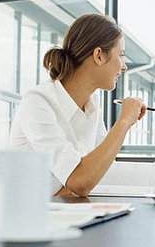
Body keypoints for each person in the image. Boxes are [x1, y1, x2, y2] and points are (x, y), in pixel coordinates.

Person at [9, 14, 146, 196]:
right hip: (29, 218)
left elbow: (97, 170)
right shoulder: (37, 102)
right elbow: (81, 182)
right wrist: (124, 121)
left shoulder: (93, 105)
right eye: (120, 56)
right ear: (99, 55)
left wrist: (78, 183)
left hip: (63, 211)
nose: (124, 66)